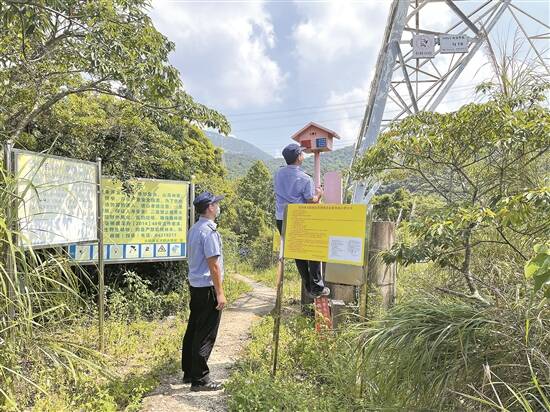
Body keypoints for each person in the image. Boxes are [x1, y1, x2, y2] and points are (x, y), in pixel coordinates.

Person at [181, 191, 226, 392]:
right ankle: (200, 379)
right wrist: (220, 293)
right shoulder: (209, 232)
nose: (218, 207)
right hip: (207, 288)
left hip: (196, 286)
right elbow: (213, 265)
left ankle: (189, 371)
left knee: (194, 328)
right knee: (206, 332)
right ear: (210, 207)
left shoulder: (194, 229)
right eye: (216, 204)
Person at [273, 143, 330, 298]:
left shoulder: (278, 174)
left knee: (298, 252)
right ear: (298, 157)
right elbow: (311, 200)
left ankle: (308, 286)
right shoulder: (305, 178)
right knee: (314, 248)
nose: (303, 155)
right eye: (301, 153)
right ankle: (317, 287)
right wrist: (319, 194)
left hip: (281, 219)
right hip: (298, 219)